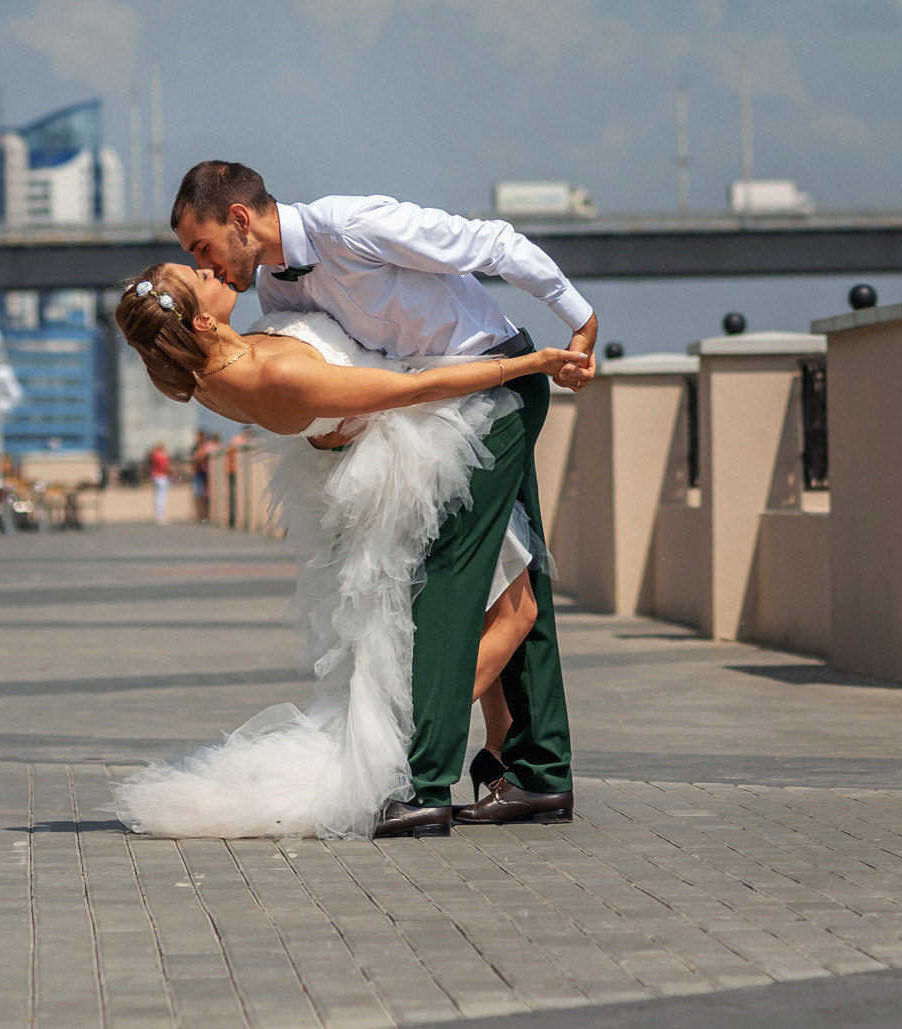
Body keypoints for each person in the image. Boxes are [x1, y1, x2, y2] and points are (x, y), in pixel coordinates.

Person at [171, 159, 598, 838]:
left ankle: (425, 783)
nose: (206, 264)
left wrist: (578, 316)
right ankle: (541, 772)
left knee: (450, 584)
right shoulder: (276, 298)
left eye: (202, 246)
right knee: (519, 580)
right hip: (437, 418)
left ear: (240, 219)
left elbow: (488, 242)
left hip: (495, 393)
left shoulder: (353, 225)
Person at [147, 442, 173, 523]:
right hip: (162, 476)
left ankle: (158, 514)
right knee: (162, 497)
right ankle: (161, 515)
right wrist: (170, 472)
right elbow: (164, 466)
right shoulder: (161, 456)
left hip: (155, 476)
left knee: (157, 496)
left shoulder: (153, 455)